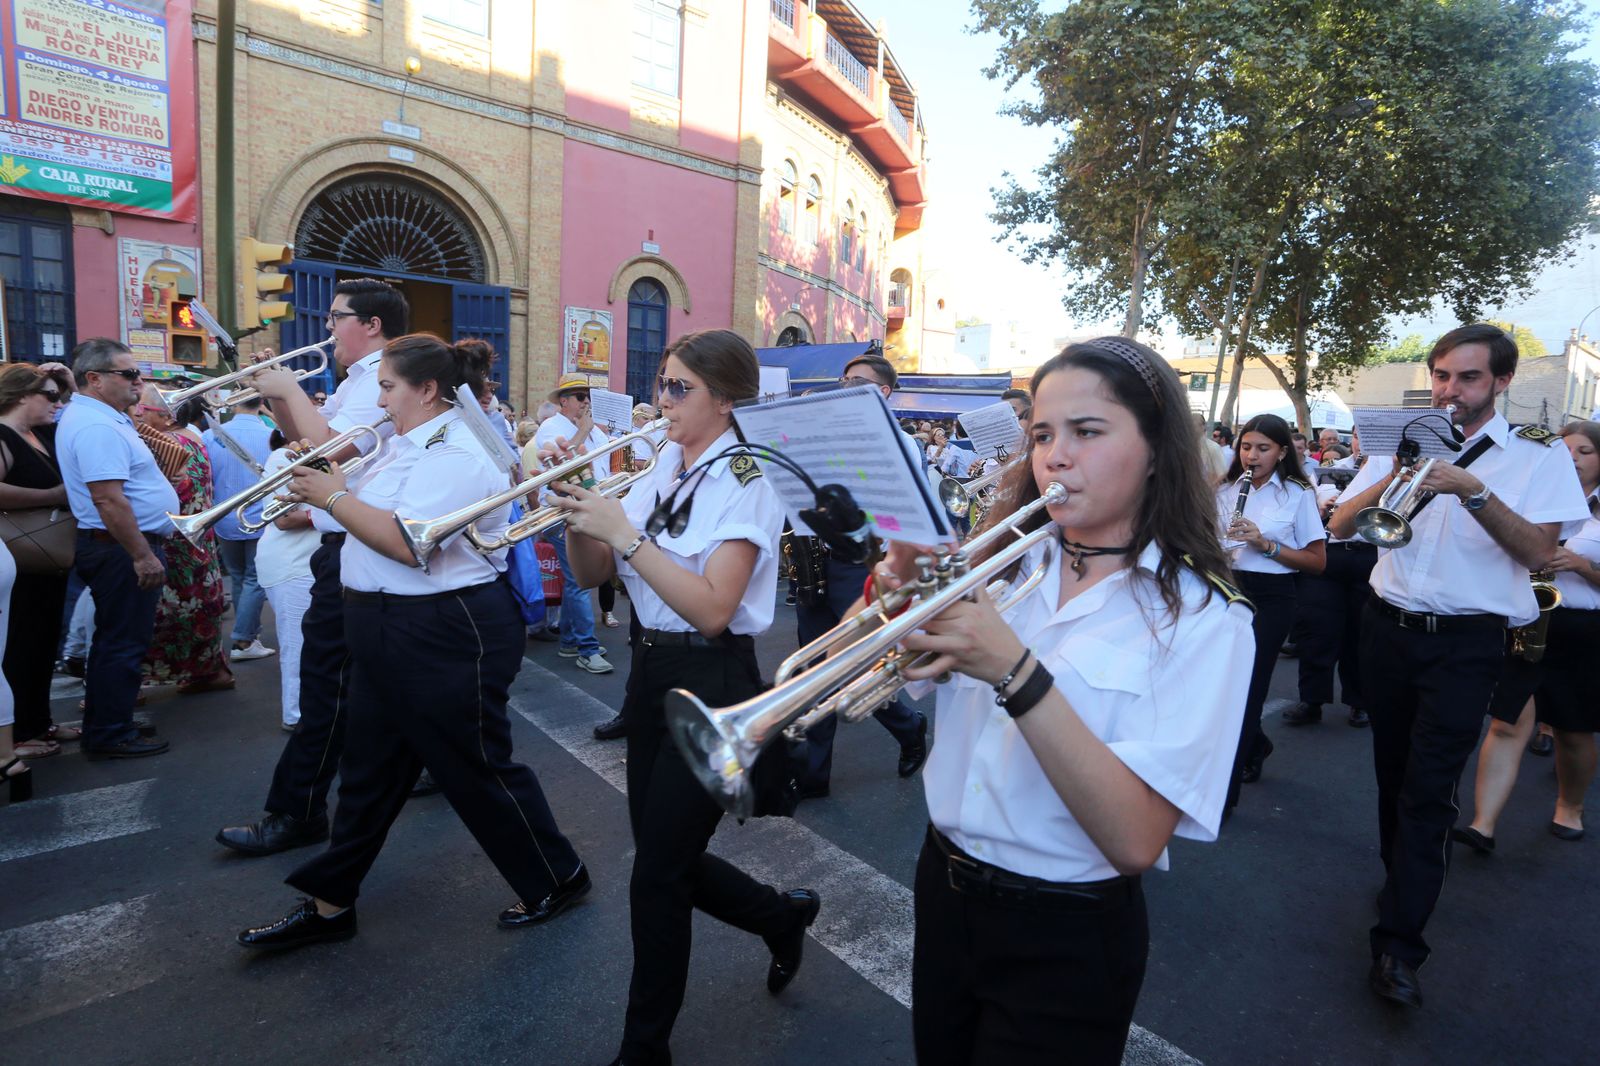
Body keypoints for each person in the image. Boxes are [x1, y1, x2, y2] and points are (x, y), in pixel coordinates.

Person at [864, 336, 1252, 1064]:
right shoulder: (1005, 567)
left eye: (1087, 432)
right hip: (943, 886)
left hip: (1066, 930)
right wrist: (902, 606)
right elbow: (912, 674)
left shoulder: (1207, 619)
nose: (1055, 456)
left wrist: (1015, 669)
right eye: (1042, 434)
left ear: (1158, 449)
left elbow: (1135, 839)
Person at [238, 334, 589, 950]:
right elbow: (349, 500)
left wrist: (334, 493)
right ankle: (329, 903)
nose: (378, 398)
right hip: (383, 623)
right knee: (368, 770)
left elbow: (408, 543)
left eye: (387, 386)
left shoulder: (457, 452)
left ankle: (558, 876)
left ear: (426, 390)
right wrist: (324, 474)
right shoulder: (403, 442)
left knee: (475, 766)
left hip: (441, 628)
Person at [550, 329, 818, 1066]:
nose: (659, 400)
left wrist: (628, 539)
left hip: (714, 676)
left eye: (678, 388)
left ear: (725, 399)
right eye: (661, 384)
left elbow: (712, 608)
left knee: (657, 876)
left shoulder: (751, 474)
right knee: (667, 862)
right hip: (649, 670)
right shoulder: (665, 462)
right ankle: (780, 915)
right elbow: (589, 572)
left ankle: (645, 1051)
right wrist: (573, 514)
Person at [1328, 323, 1589, 1009]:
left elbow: (1539, 553)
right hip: (1386, 628)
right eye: (1442, 375)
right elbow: (1338, 528)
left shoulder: (1537, 458)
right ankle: (1400, 882)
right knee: (1391, 774)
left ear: (1501, 382)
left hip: (1465, 643)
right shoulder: (1404, 440)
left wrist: (1472, 491)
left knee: (1429, 789)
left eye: (1467, 378)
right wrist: (1394, 472)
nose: (1450, 390)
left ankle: (1399, 945)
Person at [216, 278, 407, 854]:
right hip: (347, 549)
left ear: (371, 325)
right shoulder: (355, 380)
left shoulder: (384, 377)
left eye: (335, 317)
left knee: (329, 687)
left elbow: (331, 449)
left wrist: (287, 390)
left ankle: (297, 812)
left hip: (356, 547)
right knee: (349, 686)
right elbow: (305, 439)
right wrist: (279, 392)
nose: (327, 329)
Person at [1452, 420, 1600, 852]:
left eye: (1585, 452)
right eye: (1566, 450)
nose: (1571, 459)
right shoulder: (1535, 495)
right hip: (1526, 619)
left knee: (1574, 731)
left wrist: (1583, 567)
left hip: (1580, 628)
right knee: (1507, 721)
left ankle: (1569, 806)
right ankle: (1483, 824)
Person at [789, 353, 929, 796]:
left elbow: (900, 511)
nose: (844, 385)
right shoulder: (826, 432)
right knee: (814, 665)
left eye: (856, 380)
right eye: (844, 378)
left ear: (882, 392)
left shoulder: (901, 443)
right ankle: (812, 776)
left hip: (862, 565)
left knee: (860, 666)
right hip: (816, 559)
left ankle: (909, 727)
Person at [55, 339, 177, 758]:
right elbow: (107, 498)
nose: (138, 383)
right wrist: (142, 554)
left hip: (119, 546)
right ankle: (109, 733)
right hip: (120, 549)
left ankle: (113, 720)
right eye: (129, 375)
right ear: (94, 379)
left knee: (120, 640)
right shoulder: (96, 425)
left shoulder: (105, 418)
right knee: (121, 642)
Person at [1217, 414, 1325, 812]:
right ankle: (1255, 744)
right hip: (1226, 588)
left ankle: (1225, 798)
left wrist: (1265, 544)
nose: (1252, 455)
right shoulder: (1223, 489)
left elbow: (1317, 561)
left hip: (1272, 596)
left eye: (1263, 448)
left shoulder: (1297, 494)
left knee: (1249, 686)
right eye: (1246, 447)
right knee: (1221, 683)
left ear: (1282, 453)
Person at [131, 386, 234, 694]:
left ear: (165, 415)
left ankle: (131, 684)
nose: (138, 413)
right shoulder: (194, 438)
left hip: (175, 539)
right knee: (200, 607)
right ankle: (208, 672)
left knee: (163, 613)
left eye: (143, 409)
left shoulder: (166, 443)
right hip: (197, 538)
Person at [0, 362, 77, 759]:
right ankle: (17, 734)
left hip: (47, 556)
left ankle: (39, 720)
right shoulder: (4, 436)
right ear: (20, 396)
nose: (56, 403)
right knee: (20, 646)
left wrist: (65, 381)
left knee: (44, 643)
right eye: (48, 395)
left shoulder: (42, 433)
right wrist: (51, 496)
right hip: (19, 559)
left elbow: (72, 408)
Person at [1282, 443, 1375, 729]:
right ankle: (1312, 700)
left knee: (1360, 634)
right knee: (1317, 630)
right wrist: (1320, 509)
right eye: (1359, 436)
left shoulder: (1398, 472)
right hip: (1329, 553)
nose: (1362, 442)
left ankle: (1359, 703)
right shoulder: (1331, 470)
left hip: (1369, 554)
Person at [529, 374, 613, 676]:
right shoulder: (552, 426)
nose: (586, 401)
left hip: (591, 506)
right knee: (579, 581)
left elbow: (615, 458)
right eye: (579, 396)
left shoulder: (592, 431)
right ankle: (587, 649)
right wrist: (583, 433)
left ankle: (569, 641)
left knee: (574, 580)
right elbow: (558, 466)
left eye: (587, 395)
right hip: (563, 511)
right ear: (563, 401)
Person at [254, 430, 321, 732]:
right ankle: (296, 715)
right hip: (293, 564)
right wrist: (339, 508)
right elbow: (283, 519)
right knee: (298, 645)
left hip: (309, 562)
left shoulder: (325, 457)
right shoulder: (284, 456)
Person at [204, 397, 278, 661]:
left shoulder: (209, 436)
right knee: (254, 578)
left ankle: (246, 634)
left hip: (224, 518)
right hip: (260, 517)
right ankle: (244, 640)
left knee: (238, 576)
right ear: (261, 403)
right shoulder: (272, 434)